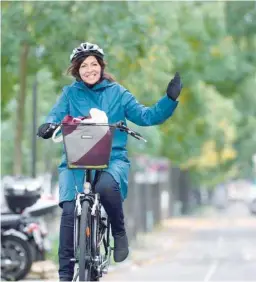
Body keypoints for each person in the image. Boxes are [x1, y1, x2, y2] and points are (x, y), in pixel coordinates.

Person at [37, 42, 183, 281]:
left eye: (94, 64)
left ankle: (119, 232)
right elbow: (55, 114)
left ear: (101, 67)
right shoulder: (70, 94)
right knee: (68, 210)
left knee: (106, 186)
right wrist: (48, 124)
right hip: (76, 160)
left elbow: (146, 116)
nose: (90, 69)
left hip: (111, 158)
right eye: (84, 65)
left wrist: (169, 99)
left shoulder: (118, 93)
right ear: (76, 70)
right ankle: (64, 276)